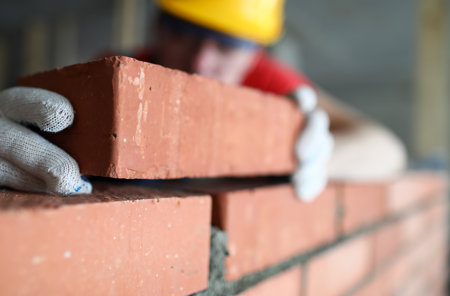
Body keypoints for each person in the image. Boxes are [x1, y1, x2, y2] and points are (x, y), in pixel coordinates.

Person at [0, 0, 406, 200]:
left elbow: (387, 150)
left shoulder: (267, 83)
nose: (201, 61)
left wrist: (309, 156)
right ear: (158, 26)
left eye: (226, 47)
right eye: (184, 34)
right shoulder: (118, 71)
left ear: (255, 51)